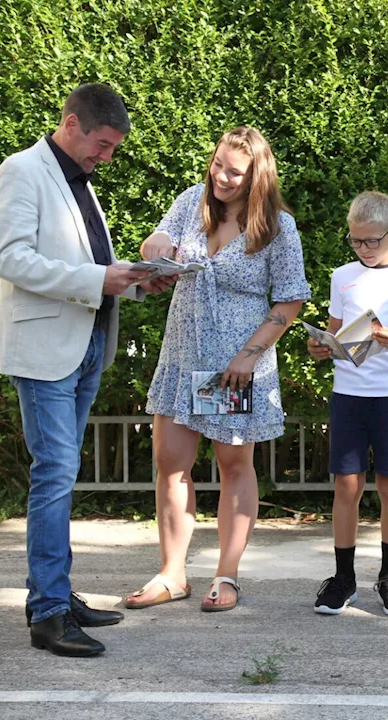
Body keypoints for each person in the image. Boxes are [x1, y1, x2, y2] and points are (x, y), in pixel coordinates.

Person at [0, 83, 171, 657]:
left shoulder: (76, 181)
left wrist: (135, 278)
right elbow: (11, 259)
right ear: (71, 124)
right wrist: (100, 279)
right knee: (55, 474)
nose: (106, 157)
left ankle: (57, 594)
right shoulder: (21, 171)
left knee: (60, 475)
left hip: (86, 343)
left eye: (113, 148)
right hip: (46, 351)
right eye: (102, 144)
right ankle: (47, 613)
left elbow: (85, 264)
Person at [124, 127, 310, 613]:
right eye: (218, 164)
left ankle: (226, 576)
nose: (222, 177)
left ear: (257, 176)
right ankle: (171, 575)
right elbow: (159, 241)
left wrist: (248, 357)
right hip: (182, 355)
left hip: (229, 369)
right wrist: (155, 248)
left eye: (235, 171)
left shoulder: (275, 226)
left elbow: (291, 299)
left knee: (232, 466)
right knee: (170, 464)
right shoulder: (191, 201)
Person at [306, 191, 388, 616]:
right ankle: (343, 578)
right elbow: (332, 334)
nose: (363, 249)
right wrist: (319, 347)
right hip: (349, 394)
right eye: (356, 241)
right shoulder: (342, 276)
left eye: (372, 241)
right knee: (346, 485)